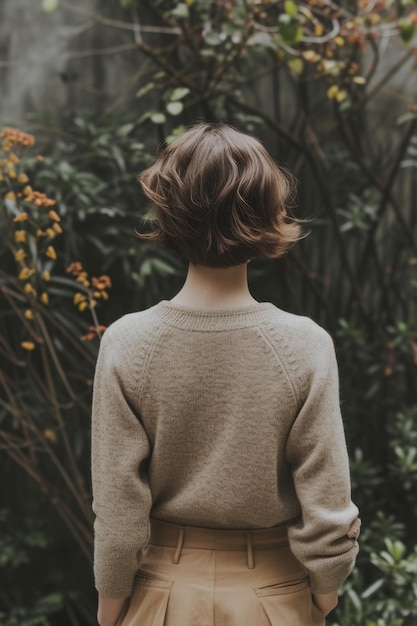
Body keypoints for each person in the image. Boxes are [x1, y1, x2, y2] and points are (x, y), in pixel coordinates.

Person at [91, 122, 360, 626]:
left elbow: (120, 513)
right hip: (275, 595)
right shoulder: (305, 345)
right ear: (268, 211)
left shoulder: (127, 343)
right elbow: (326, 501)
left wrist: (112, 612)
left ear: (168, 210)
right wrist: (325, 591)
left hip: (162, 594)